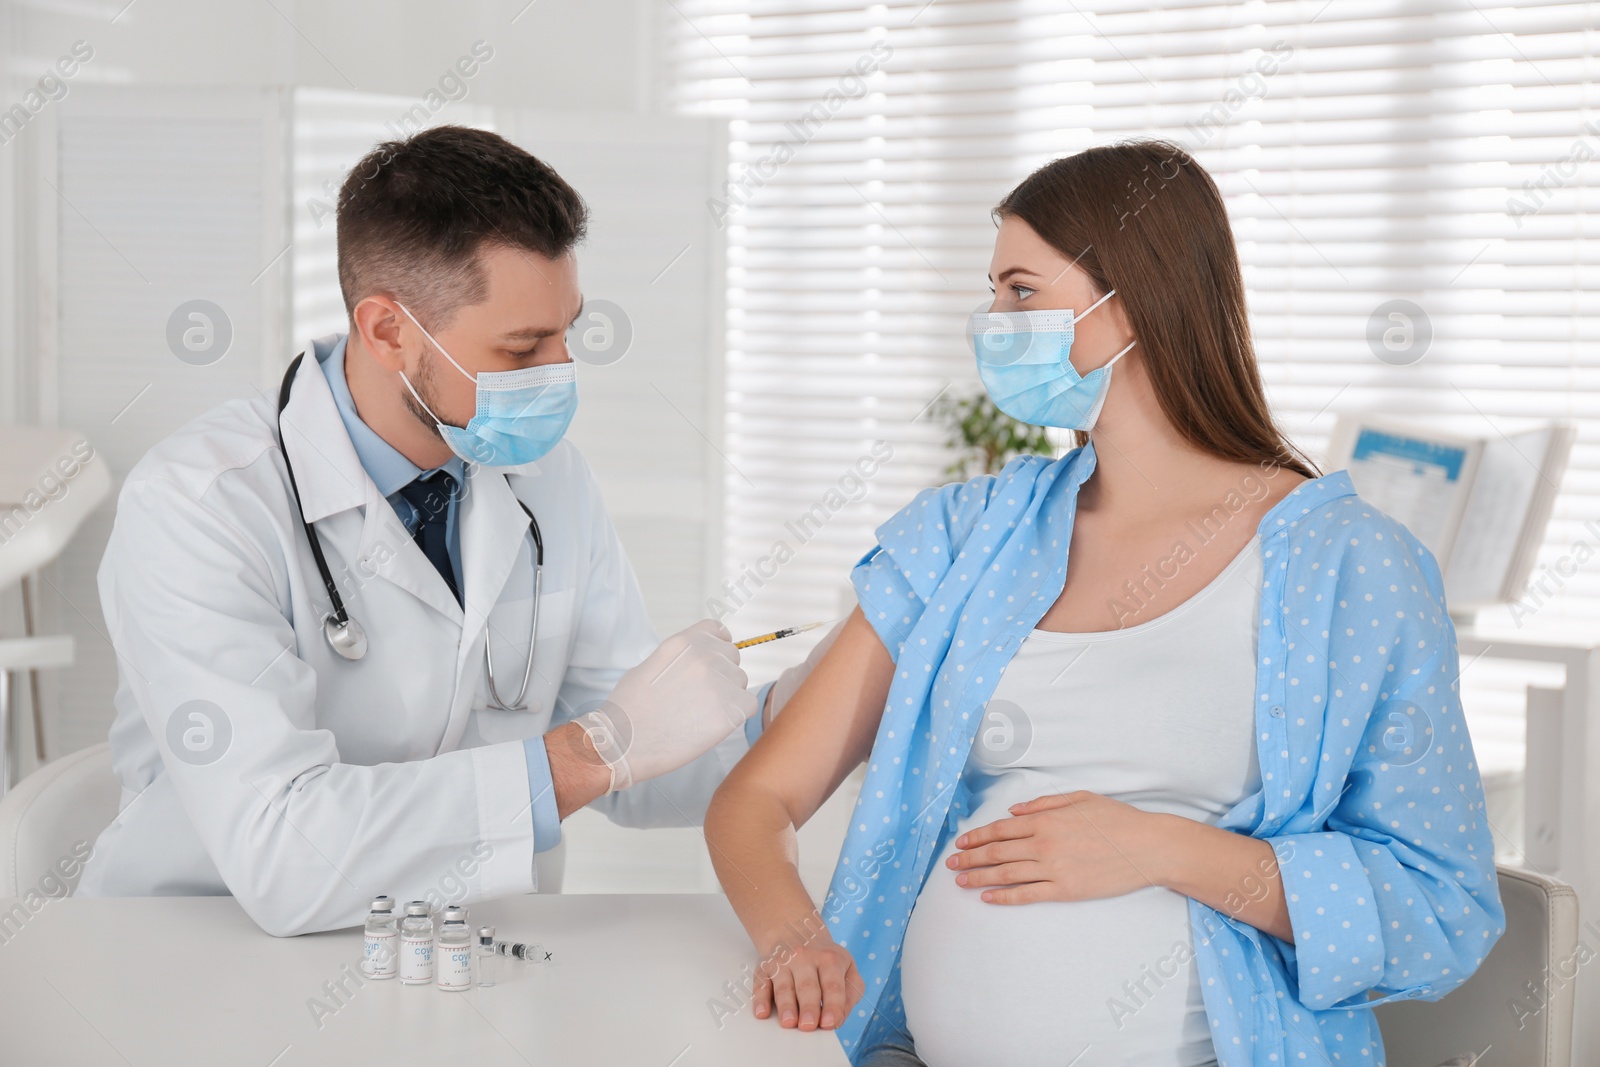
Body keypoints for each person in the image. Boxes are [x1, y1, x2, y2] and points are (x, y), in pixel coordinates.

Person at [704, 139, 1505, 1067]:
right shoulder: (968, 537)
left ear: (1131, 298)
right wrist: (791, 934)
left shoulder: (1353, 568)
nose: (991, 322)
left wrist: (1162, 849)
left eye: (1019, 291)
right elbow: (756, 797)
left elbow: (1442, 907)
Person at [77, 126, 833, 936]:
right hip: (199, 959)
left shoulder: (551, 481)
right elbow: (284, 851)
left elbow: (642, 767)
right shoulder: (199, 505)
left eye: (567, 332)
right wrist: (592, 748)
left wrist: (809, 697)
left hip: (462, 950)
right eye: (522, 348)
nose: (561, 371)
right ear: (388, 331)